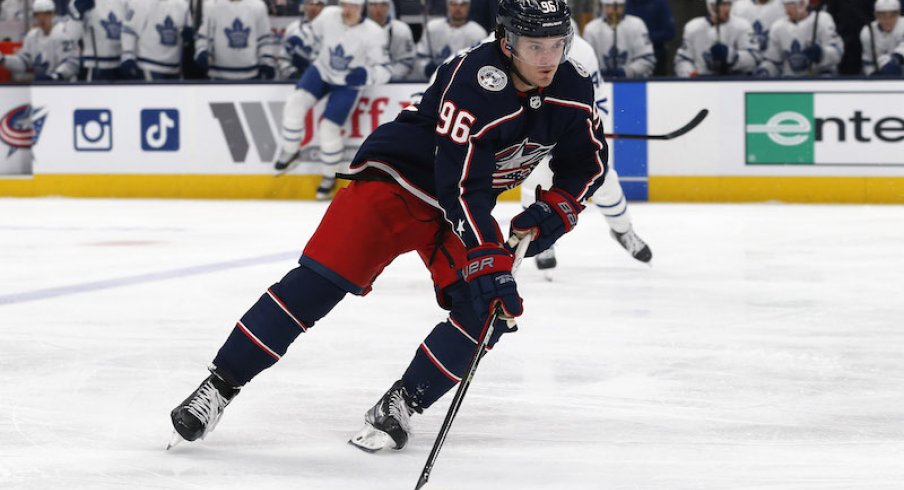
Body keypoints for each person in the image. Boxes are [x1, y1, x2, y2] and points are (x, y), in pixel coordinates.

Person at [169, 0, 606, 453]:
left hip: (456, 207)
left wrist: (555, 210)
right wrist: (486, 255)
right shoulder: (473, 81)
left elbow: (589, 163)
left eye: (557, 44)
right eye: (535, 45)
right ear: (507, 40)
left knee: (488, 308)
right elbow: (458, 182)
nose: (547, 59)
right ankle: (219, 387)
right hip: (395, 187)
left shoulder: (572, 86)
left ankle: (402, 403)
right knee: (316, 286)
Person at [520, 9, 651, 274]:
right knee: (535, 184)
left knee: (604, 181)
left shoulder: (582, 51)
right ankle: (541, 241)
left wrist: (581, 133)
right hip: (532, 137)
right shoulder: (519, 43)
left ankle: (623, 231)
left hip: (573, 135)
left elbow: (598, 100)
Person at [272, 0, 390, 201]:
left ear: (361, 8)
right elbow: (309, 32)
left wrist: (367, 75)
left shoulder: (373, 32)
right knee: (295, 103)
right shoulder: (329, 15)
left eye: (352, 6)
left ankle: (329, 177)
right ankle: (290, 151)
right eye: (344, 4)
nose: (346, 10)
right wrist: (298, 40)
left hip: (347, 82)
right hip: (321, 70)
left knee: (328, 128)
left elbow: (385, 69)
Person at [755, 0, 844, 77]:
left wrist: (822, 54)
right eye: (784, 5)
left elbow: (838, 51)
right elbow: (774, 61)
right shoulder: (778, 27)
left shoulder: (823, 19)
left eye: (790, 5)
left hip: (819, 79)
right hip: (790, 82)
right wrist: (766, 70)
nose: (786, 10)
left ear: (801, 3)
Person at [194, 0, 276, 80]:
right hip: (219, 76)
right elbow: (204, 36)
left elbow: (264, 38)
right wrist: (202, 51)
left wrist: (266, 62)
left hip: (251, 75)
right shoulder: (211, 5)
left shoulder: (258, 6)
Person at [675, 0, 760, 77]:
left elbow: (754, 59)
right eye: (722, 5)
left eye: (728, 4)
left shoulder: (742, 26)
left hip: (734, 81)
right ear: (711, 6)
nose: (727, 9)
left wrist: (733, 57)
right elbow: (683, 59)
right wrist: (689, 73)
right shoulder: (693, 27)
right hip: (703, 82)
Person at [0, 0, 78, 80]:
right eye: (38, 15)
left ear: (53, 14)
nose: (42, 18)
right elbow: (24, 62)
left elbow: (72, 63)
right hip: (40, 86)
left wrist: (55, 76)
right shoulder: (32, 36)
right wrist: (4, 59)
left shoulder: (64, 33)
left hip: (65, 86)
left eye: (46, 14)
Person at [413, 0, 487, 80]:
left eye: (463, 5)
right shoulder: (432, 28)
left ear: (468, 7)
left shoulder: (478, 33)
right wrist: (426, 68)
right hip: (432, 81)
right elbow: (421, 57)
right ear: (447, 5)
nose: (458, 8)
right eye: (453, 4)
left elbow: (480, 64)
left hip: (463, 82)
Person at [120, 0, 193, 80]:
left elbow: (187, 33)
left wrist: (188, 37)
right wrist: (128, 54)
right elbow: (129, 30)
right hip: (149, 66)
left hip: (174, 68)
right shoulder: (140, 3)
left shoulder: (182, 4)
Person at [582, 0, 656, 79]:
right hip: (600, 84)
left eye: (618, 6)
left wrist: (627, 72)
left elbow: (648, 60)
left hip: (632, 84)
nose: (613, 10)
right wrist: (597, 73)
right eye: (608, 6)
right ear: (603, 6)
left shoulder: (637, 25)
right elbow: (586, 62)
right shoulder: (591, 29)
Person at [67, 0, 127, 80]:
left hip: (121, 66)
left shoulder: (124, 2)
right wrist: (77, 17)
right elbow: (71, 35)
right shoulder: (78, 3)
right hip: (94, 66)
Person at [366, 0, 415, 81]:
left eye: (383, 5)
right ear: (367, 7)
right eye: (373, 5)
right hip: (364, 80)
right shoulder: (356, 30)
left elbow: (407, 62)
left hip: (393, 81)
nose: (378, 9)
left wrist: (388, 76)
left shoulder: (401, 29)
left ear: (389, 7)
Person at [624, 0, 675, 76]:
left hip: (656, 57)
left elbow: (669, 32)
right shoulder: (626, 3)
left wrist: (643, 39)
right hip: (627, 58)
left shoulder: (660, 3)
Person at [277, 0, 325, 80]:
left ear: (323, 7)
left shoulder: (331, 30)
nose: (313, 7)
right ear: (305, 6)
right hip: (295, 81)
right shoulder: (293, 28)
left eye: (318, 4)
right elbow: (282, 57)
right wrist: (292, 74)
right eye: (310, 4)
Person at [860, 0, 904, 75]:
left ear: (899, 14)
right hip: (881, 75)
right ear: (875, 15)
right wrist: (873, 75)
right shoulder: (867, 32)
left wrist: (895, 59)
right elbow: (868, 62)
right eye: (882, 15)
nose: (887, 20)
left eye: (892, 15)